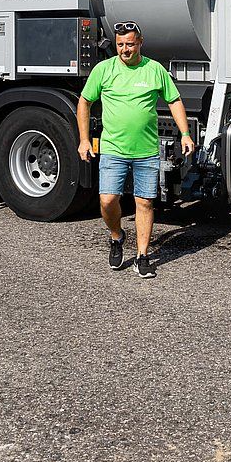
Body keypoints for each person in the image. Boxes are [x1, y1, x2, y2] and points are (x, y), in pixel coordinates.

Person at [76, 21, 194, 279]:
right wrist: (84, 139)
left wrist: (185, 134)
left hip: (146, 151)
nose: (125, 50)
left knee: (144, 202)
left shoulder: (154, 70)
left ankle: (142, 255)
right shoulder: (103, 70)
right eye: (120, 45)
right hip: (113, 149)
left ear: (141, 42)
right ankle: (117, 236)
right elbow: (84, 102)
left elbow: (173, 100)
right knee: (107, 200)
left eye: (130, 44)